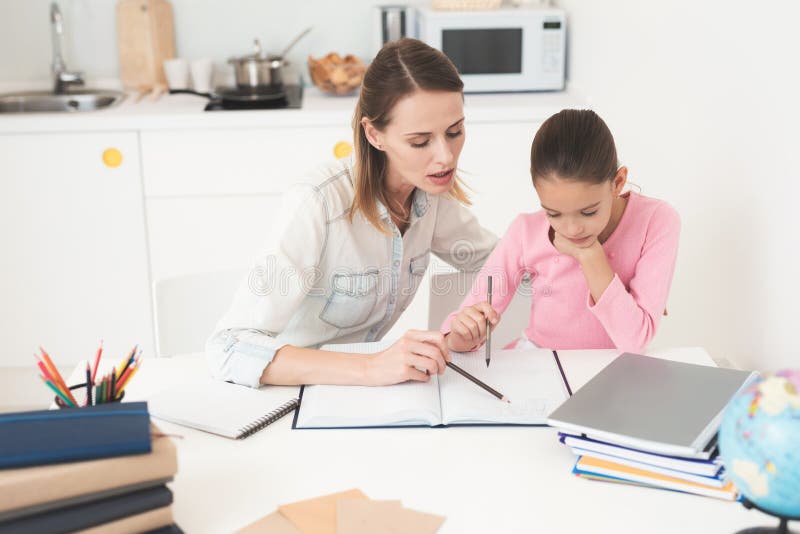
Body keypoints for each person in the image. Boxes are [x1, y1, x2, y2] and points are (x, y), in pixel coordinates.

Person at [206, 38, 497, 387]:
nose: (446, 156)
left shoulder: (431, 196)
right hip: (291, 396)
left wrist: (462, 329)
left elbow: (506, 264)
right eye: (420, 142)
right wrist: (371, 368)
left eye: (455, 132)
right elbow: (228, 347)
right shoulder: (317, 202)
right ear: (374, 135)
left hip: (361, 396)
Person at [443, 109, 680, 354]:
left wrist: (590, 256)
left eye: (588, 212)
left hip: (616, 368)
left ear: (618, 183)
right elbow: (466, 321)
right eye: (553, 213)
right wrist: (461, 335)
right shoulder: (526, 230)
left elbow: (635, 341)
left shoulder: (657, 221)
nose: (572, 229)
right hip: (539, 361)